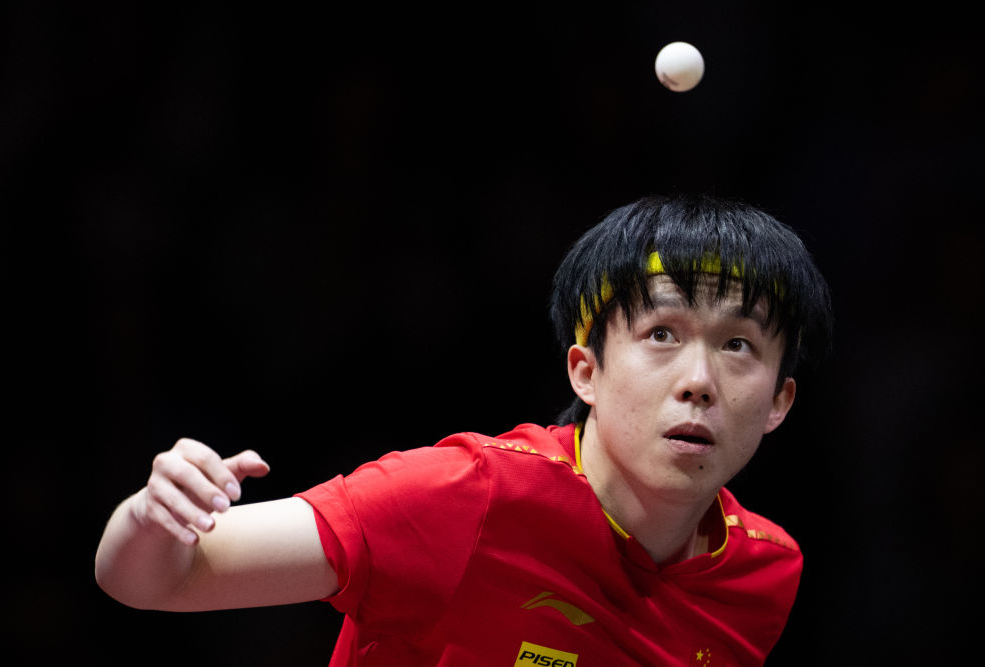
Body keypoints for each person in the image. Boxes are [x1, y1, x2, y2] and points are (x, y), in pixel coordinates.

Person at [95, 194, 833, 666]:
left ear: (780, 401)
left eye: (739, 344)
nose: (699, 379)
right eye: (662, 333)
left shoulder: (762, 575)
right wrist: (154, 516)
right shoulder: (465, 499)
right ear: (586, 372)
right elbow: (153, 580)